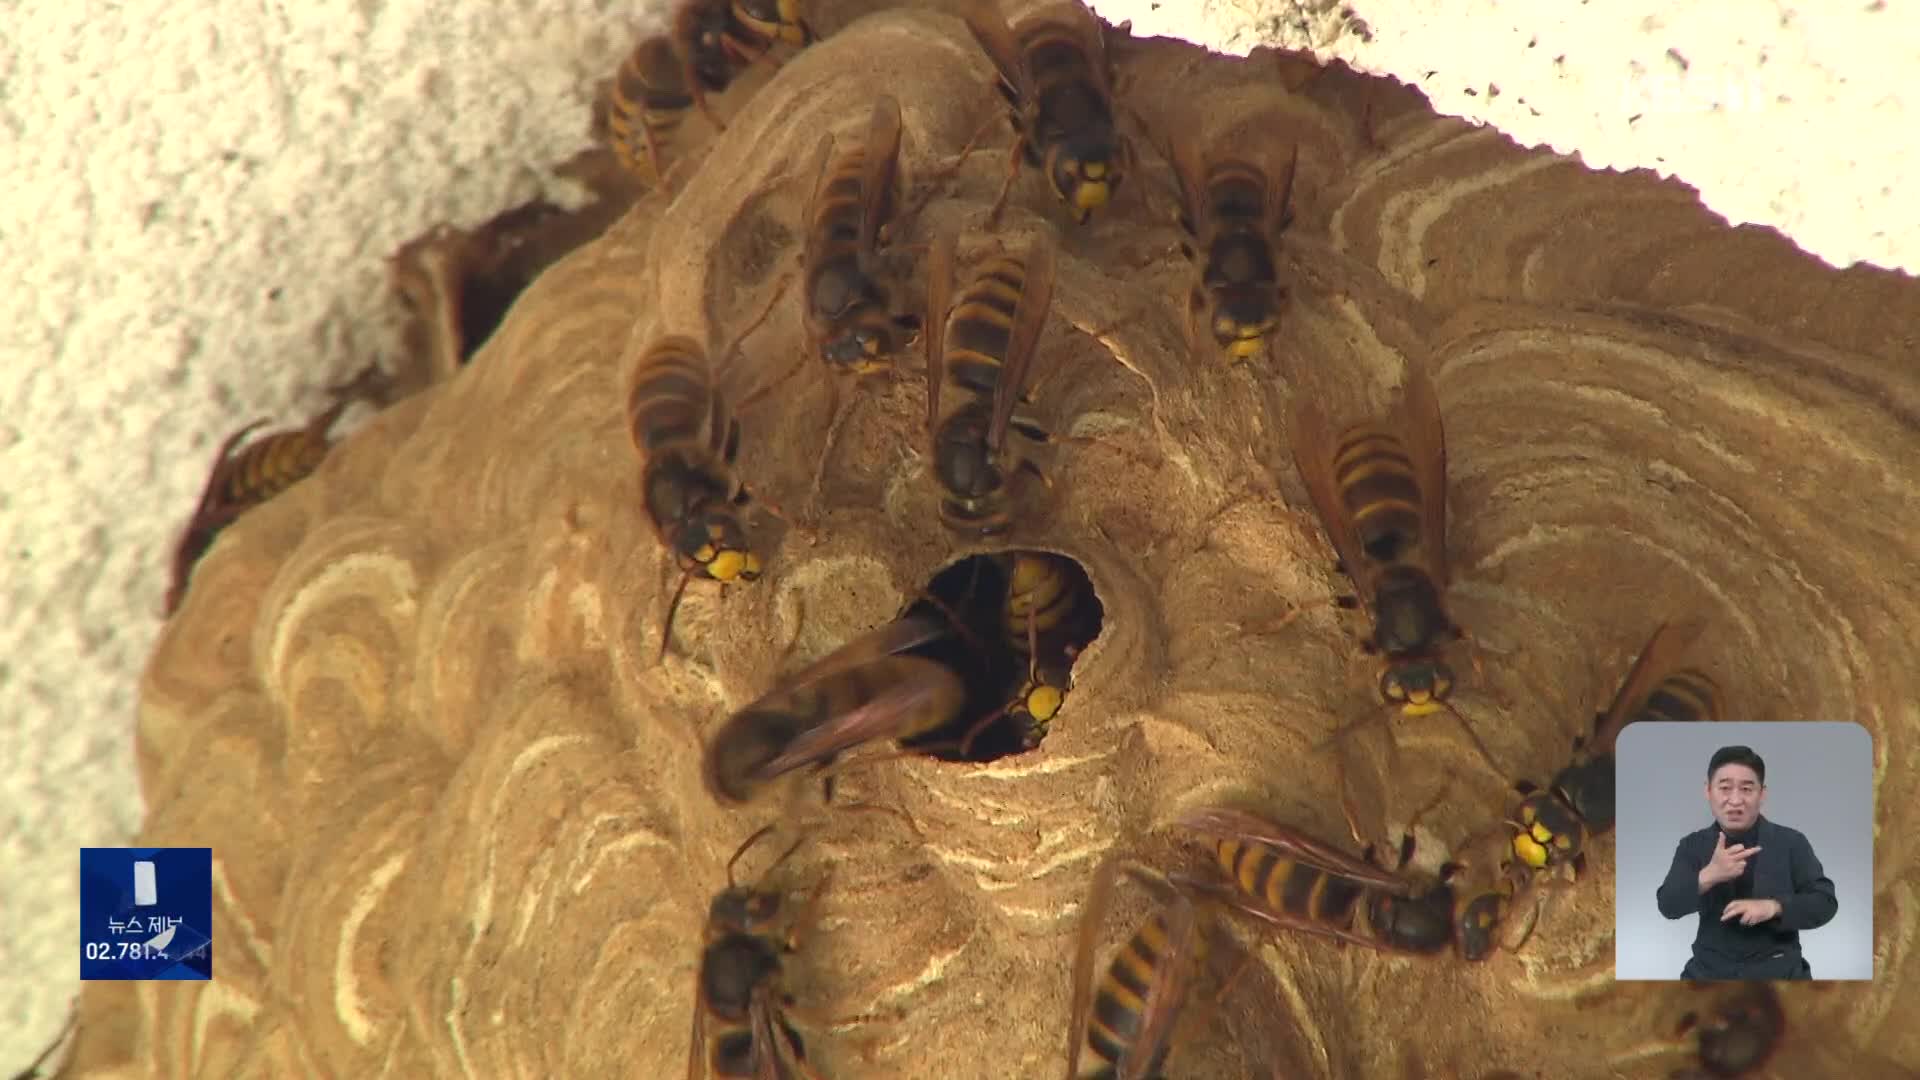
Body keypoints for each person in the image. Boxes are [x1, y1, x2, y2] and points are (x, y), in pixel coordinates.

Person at [1654, 745, 1837, 979]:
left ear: (1762, 794)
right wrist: (1709, 875)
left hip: (1780, 972)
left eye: (1746, 789)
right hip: (1708, 973)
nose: (1735, 800)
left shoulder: (1792, 842)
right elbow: (1668, 906)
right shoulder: (1693, 845)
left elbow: (1825, 902)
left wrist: (1773, 907)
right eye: (1725, 788)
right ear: (1708, 791)